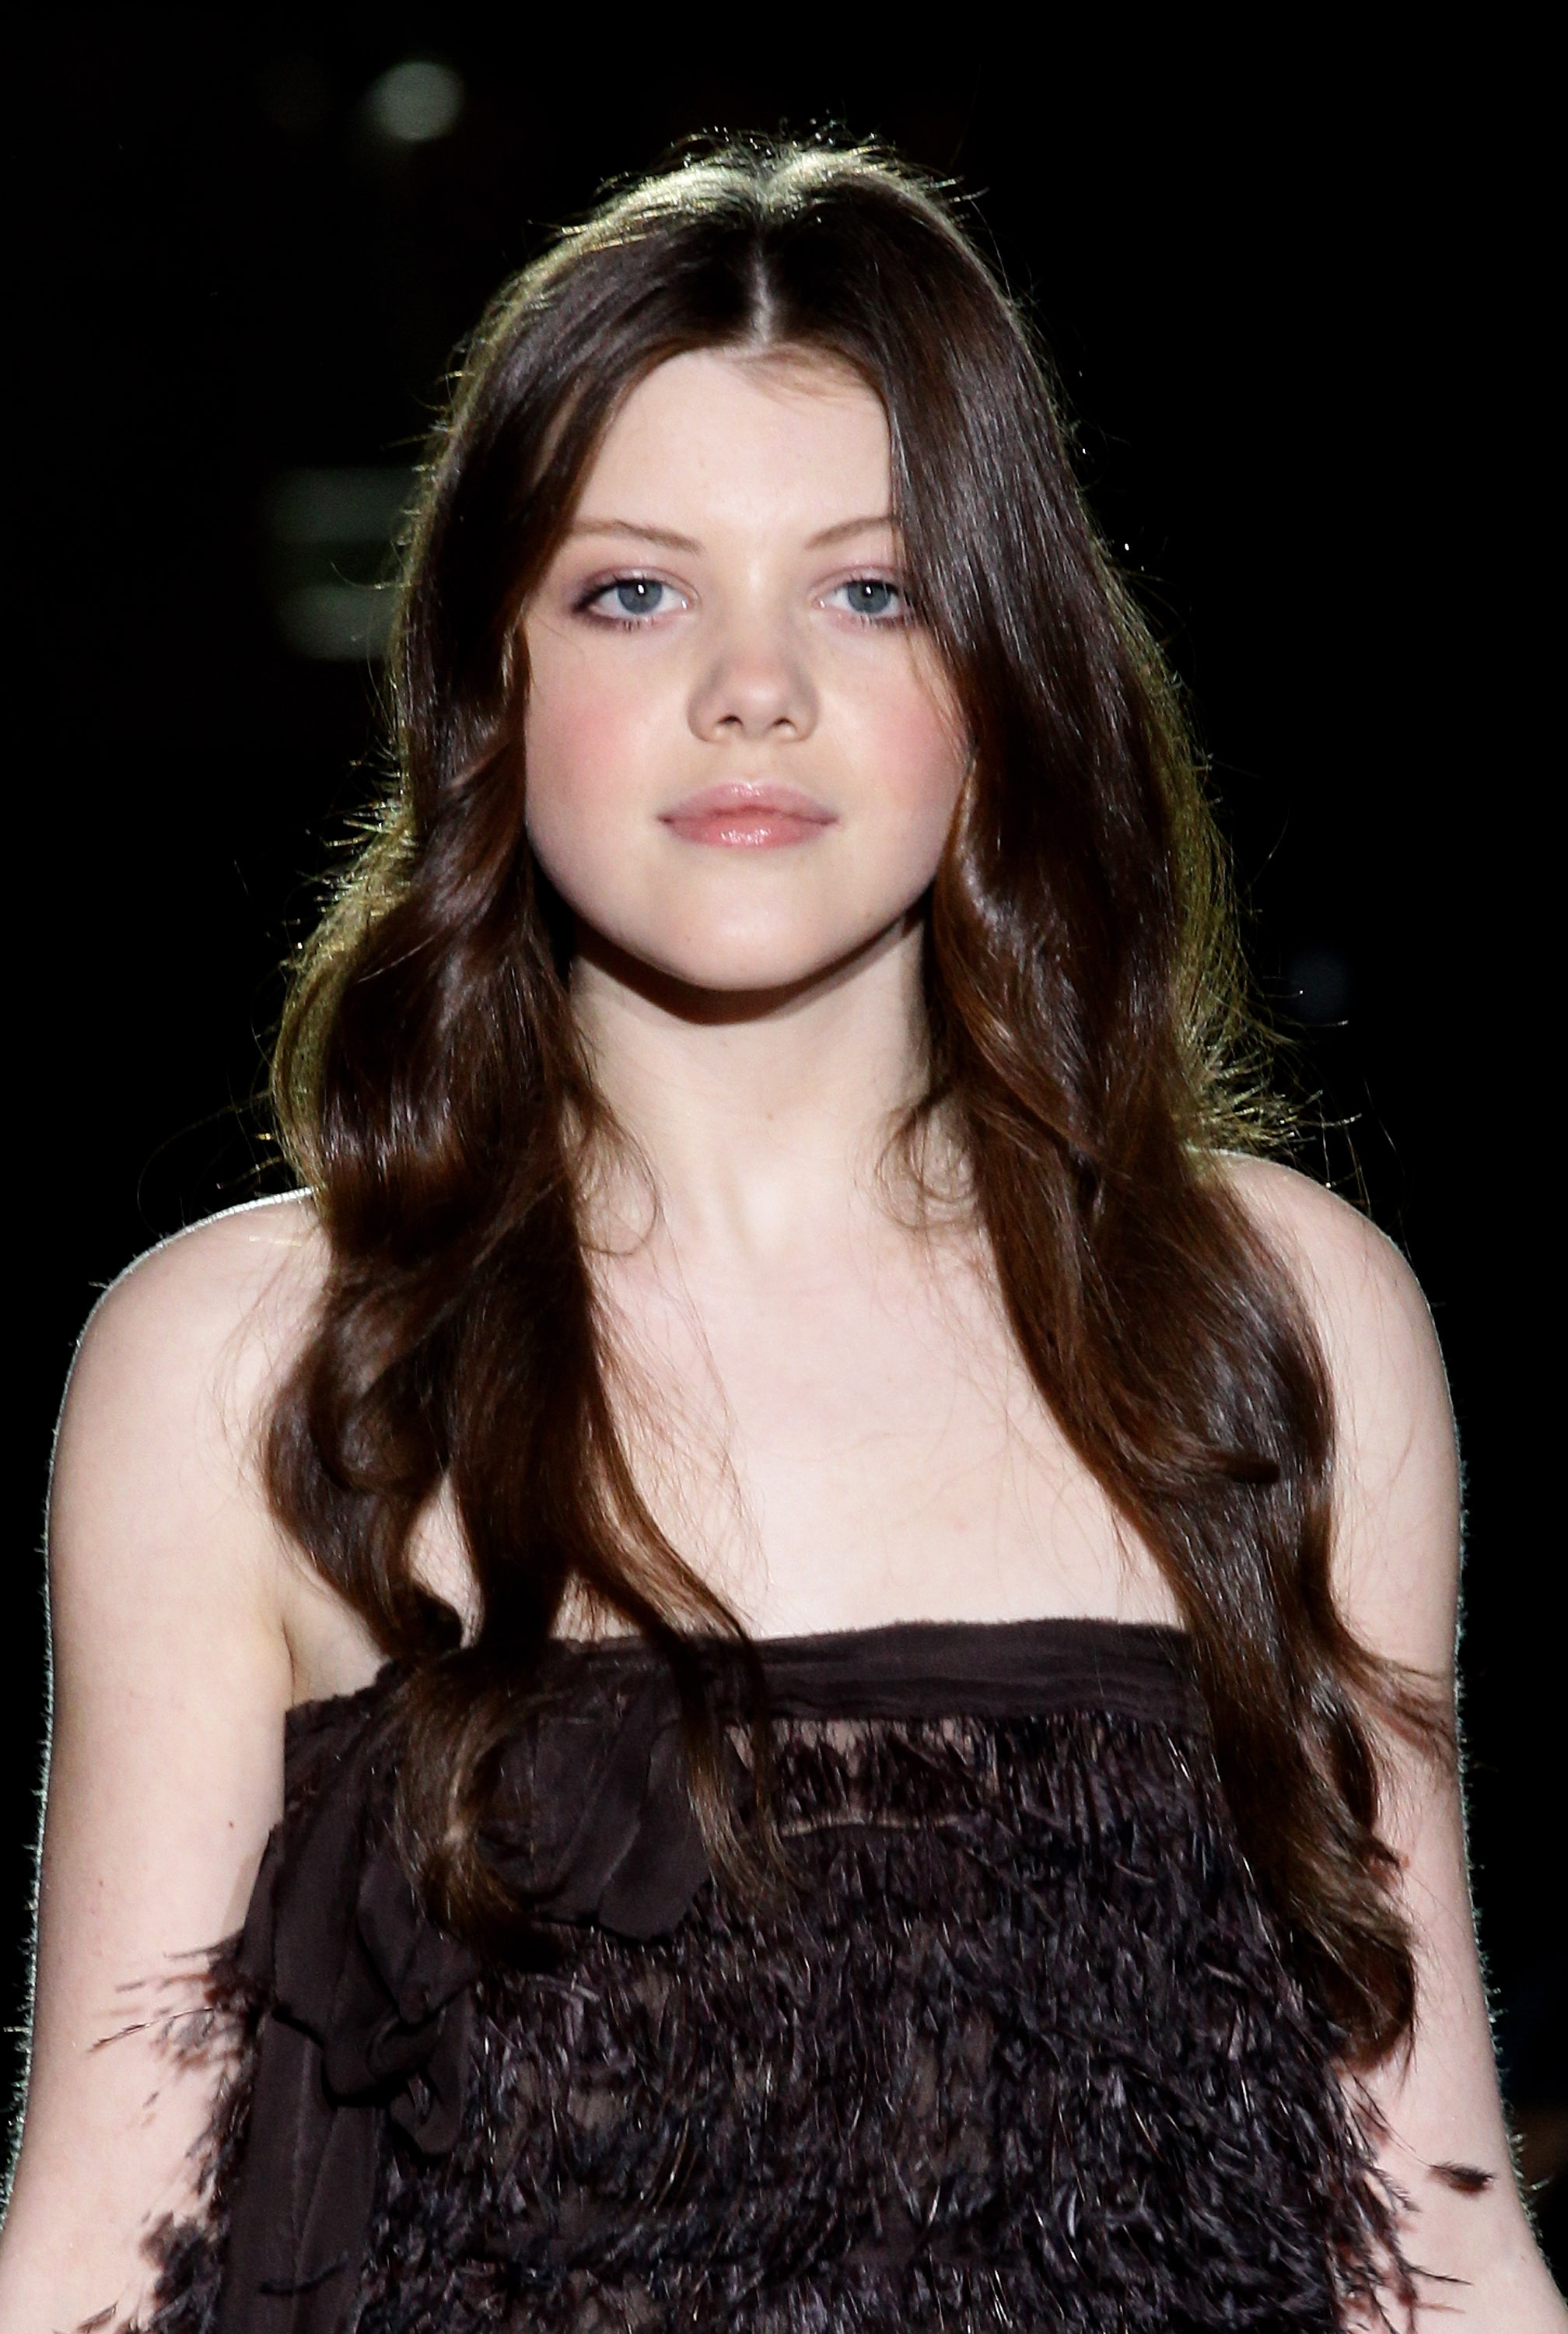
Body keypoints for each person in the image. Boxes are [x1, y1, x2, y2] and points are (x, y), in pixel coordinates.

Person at [0, 140, 1559, 2334]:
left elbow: (1433, 2231)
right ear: (489, 679)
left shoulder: (1271, 1323)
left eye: (872, 592)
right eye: (637, 592)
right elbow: (97, 2259)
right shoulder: (245, 1367)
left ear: (1004, 672)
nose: (755, 687)